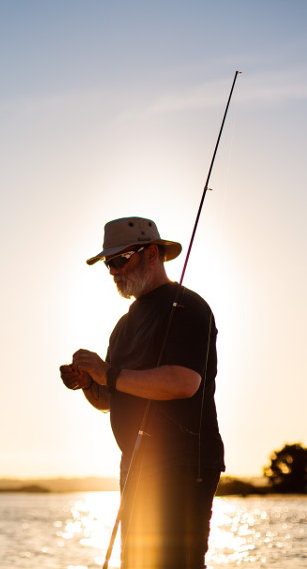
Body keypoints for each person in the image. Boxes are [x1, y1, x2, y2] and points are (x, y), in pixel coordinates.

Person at [60, 216, 224, 569]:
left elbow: (184, 382)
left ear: (151, 253)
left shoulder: (189, 307)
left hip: (182, 463)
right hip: (135, 466)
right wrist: (90, 383)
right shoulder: (123, 325)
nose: (113, 271)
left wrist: (108, 373)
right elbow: (110, 399)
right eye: (108, 263)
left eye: (120, 260)